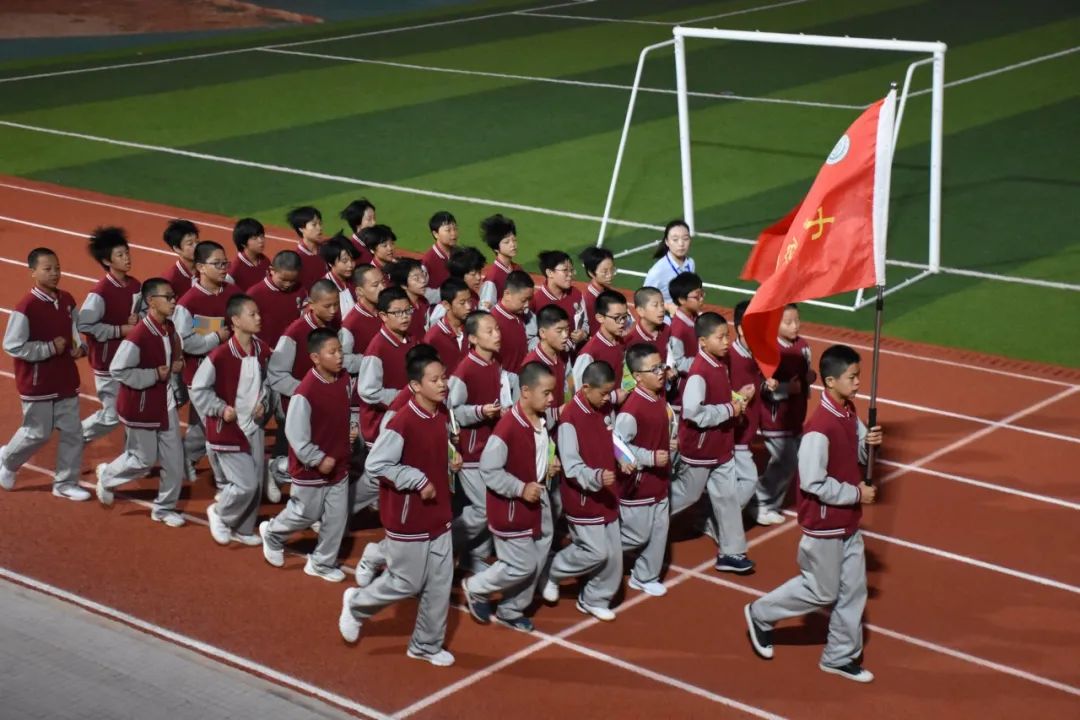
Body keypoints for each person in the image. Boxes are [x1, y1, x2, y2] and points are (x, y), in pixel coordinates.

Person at [745, 344, 882, 684]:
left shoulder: (847, 412)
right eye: (852, 377)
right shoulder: (819, 428)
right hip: (823, 525)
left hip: (847, 521)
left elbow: (860, 454)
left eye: (859, 376)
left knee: (854, 591)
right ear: (831, 381)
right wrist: (856, 493)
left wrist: (870, 443)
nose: (858, 382)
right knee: (821, 591)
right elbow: (812, 482)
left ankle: (839, 656)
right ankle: (760, 613)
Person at [340, 353, 456, 668]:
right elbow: (377, 464)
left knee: (440, 584)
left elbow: (434, 450)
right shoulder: (402, 422)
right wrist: (416, 479)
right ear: (416, 386)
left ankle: (425, 645)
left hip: (439, 515)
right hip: (409, 518)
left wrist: (451, 458)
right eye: (435, 380)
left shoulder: (441, 413)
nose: (443, 384)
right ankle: (357, 604)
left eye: (443, 378)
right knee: (406, 582)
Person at [461, 361, 555, 632]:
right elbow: (489, 470)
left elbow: (539, 449)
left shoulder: (541, 419)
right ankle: (476, 587)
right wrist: (520, 489)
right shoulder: (507, 428)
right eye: (546, 393)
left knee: (536, 559)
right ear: (525, 391)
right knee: (521, 565)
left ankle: (511, 610)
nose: (551, 399)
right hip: (512, 507)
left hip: (538, 500)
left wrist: (551, 461)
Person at [260, 328, 357, 582]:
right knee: (305, 514)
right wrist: (317, 459)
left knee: (337, 517)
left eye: (340, 351)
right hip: (310, 469)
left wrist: (349, 431)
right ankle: (273, 534)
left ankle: (322, 563)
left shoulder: (344, 379)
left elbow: (342, 413)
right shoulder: (305, 392)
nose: (339, 356)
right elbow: (296, 435)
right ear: (315, 358)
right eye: (332, 352)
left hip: (339, 464)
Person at [670, 312, 757, 573]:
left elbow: (717, 399)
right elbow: (693, 412)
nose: (726, 341)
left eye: (727, 336)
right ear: (703, 342)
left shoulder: (719, 364)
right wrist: (731, 409)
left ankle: (732, 552)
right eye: (720, 337)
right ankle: (644, 519)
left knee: (728, 498)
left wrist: (737, 398)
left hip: (720, 447)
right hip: (699, 450)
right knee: (686, 495)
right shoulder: (699, 371)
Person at [94, 277, 185, 523]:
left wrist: (176, 364)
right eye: (168, 297)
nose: (173, 301)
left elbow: (171, 355)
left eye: (174, 297)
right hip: (141, 407)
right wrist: (153, 374)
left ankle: (163, 509)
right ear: (151, 301)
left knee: (174, 462)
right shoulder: (138, 336)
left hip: (165, 404)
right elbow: (118, 370)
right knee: (142, 460)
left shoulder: (169, 327)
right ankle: (108, 476)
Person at [0, 248, 89, 500]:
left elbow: (75, 333)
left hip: (66, 379)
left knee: (73, 432)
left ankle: (65, 484)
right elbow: (12, 345)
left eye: (57, 268)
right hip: (37, 383)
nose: (54, 273)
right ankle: (8, 460)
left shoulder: (68, 300)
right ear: (33, 272)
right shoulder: (26, 307)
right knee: (36, 433)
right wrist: (48, 348)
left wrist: (80, 348)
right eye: (47, 269)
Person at [542, 360, 626, 622]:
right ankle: (552, 570)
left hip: (607, 493)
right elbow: (571, 465)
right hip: (582, 496)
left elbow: (612, 439)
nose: (608, 398)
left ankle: (593, 599)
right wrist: (596, 476)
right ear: (586, 388)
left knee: (614, 555)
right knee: (594, 551)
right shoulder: (570, 418)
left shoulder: (604, 406)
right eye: (604, 393)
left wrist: (624, 457)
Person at [192, 294, 271, 546]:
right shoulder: (220, 356)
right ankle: (220, 513)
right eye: (252, 314)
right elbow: (198, 389)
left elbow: (268, 383)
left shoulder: (262, 349)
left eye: (258, 313)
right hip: (227, 428)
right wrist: (220, 408)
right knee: (246, 485)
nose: (258, 318)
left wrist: (264, 401)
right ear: (235, 320)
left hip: (253, 426)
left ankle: (243, 529)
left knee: (256, 484)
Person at [173, 241, 242, 483]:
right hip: (199, 378)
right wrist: (216, 338)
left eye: (225, 263)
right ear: (201, 267)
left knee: (204, 425)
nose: (224, 268)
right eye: (218, 264)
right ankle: (225, 482)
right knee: (217, 428)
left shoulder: (233, 293)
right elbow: (184, 342)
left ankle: (185, 458)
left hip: (227, 373)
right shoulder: (188, 304)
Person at [266, 279, 340, 499]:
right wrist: (307, 393)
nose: (333, 310)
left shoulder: (333, 326)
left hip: (324, 404)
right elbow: (276, 374)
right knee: (300, 454)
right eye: (327, 306)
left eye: (336, 304)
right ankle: (276, 470)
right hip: (295, 404)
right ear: (311, 304)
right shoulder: (295, 333)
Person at [448, 311, 504, 575]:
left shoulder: (494, 363)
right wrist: (480, 412)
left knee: (489, 506)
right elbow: (452, 413)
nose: (497, 335)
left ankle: (474, 557)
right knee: (485, 508)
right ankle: (443, 544)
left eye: (497, 329)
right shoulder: (465, 371)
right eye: (489, 331)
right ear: (472, 338)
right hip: (470, 452)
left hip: (490, 449)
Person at [615, 343, 674, 597]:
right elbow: (617, 446)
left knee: (660, 531)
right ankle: (595, 554)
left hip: (659, 482)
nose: (661, 372)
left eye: (661, 366)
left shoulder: (658, 397)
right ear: (638, 376)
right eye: (655, 369)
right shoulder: (632, 410)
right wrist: (650, 457)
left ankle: (644, 576)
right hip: (637, 487)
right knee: (636, 536)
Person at [756, 303, 817, 525]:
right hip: (775, 419)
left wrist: (810, 378)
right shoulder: (770, 350)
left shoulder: (803, 346)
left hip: (795, 415)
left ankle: (767, 502)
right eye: (788, 322)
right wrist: (786, 389)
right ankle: (761, 502)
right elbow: (763, 386)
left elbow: (806, 375)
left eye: (797, 321)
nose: (794, 326)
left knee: (789, 462)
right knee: (787, 461)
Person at [79, 226, 141, 444]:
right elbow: (85, 325)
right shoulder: (100, 293)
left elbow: (140, 315)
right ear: (107, 261)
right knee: (112, 415)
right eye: (120, 255)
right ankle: (75, 437)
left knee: (134, 411)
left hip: (130, 360)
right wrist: (121, 330)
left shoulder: (135, 285)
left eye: (127, 252)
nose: (127, 258)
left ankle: (134, 455)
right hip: (107, 364)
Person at [357, 287, 416, 448]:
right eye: (397, 313)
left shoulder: (411, 339)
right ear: (383, 316)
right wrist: (404, 395)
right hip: (380, 427)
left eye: (407, 310)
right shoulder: (377, 349)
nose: (404, 316)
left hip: (404, 420)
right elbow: (368, 391)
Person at [572, 290, 629, 400]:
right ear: (600, 318)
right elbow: (580, 394)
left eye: (625, 317)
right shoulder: (589, 353)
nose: (622, 322)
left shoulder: (621, 343)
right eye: (617, 318)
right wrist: (613, 398)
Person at [246, 250, 304, 351]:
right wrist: (265, 349)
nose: (288, 284)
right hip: (264, 352)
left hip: (290, 350)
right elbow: (245, 328)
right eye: (283, 280)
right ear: (272, 270)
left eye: (292, 281)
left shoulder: (300, 289)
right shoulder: (254, 295)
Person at [531, 250, 587, 349]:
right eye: (565, 270)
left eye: (571, 270)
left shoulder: (576, 294)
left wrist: (584, 333)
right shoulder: (535, 301)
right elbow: (531, 337)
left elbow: (585, 321)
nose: (570, 274)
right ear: (550, 273)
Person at [339, 264, 384, 377]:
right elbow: (343, 359)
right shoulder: (350, 324)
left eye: (383, 282)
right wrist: (372, 361)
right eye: (375, 285)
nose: (382, 288)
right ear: (360, 291)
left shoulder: (387, 310)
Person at [667, 272, 705, 401]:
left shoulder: (696, 317)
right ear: (682, 300)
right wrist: (704, 362)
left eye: (702, 293)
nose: (701, 298)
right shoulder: (678, 330)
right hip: (685, 390)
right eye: (697, 296)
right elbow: (678, 363)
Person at [422, 277, 472, 374]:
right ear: (446, 305)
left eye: (469, 301)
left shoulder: (473, 328)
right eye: (462, 303)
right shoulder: (433, 338)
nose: (468, 307)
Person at [428, 246, 485, 327]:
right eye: (473, 274)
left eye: (479, 272)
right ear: (460, 276)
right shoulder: (444, 308)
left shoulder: (474, 296)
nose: (479, 278)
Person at [643, 219, 695, 307]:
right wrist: (668, 307)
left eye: (685, 239)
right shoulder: (657, 271)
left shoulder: (690, 263)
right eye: (675, 239)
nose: (681, 244)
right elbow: (644, 298)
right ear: (667, 242)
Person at [490, 269, 534, 373]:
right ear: (507, 294)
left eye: (529, 300)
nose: (527, 305)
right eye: (523, 300)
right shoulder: (493, 323)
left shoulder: (518, 314)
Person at [478, 214, 520, 310]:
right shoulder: (492, 278)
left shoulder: (517, 268)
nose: (513, 245)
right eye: (507, 242)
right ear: (496, 248)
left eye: (514, 240)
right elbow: (484, 313)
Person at [386, 257, 431, 339]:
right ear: (403, 285)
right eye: (416, 278)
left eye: (423, 274)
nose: (423, 280)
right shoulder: (402, 312)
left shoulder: (423, 301)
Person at [286, 205, 327, 292]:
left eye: (320, 223)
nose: (319, 228)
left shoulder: (327, 249)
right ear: (301, 228)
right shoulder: (297, 260)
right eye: (314, 225)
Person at [320, 235, 361, 321]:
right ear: (330, 263)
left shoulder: (356, 279)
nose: (350, 265)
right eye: (344, 261)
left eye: (352, 260)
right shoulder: (324, 289)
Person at [579, 246, 618, 333]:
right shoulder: (590, 300)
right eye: (605, 272)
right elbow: (596, 332)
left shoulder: (609, 291)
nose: (610, 275)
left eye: (612, 270)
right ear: (591, 273)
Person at [421, 210, 457, 297]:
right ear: (435, 234)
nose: (453, 234)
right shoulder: (428, 261)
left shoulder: (460, 254)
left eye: (455, 229)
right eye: (448, 230)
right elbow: (421, 290)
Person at [228, 217, 270, 291]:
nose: (261, 241)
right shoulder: (234, 269)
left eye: (261, 236)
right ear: (243, 243)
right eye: (255, 238)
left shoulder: (265, 260)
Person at [161, 219, 199, 293]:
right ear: (177, 248)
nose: (196, 246)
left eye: (197, 242)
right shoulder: (169, 280)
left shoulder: (207, 270)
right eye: (190, 244)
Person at [340, 198, 377, 264]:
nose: (374, 223)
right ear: (357, 222)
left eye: (374, 218)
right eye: (369, 219)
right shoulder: (351, 249)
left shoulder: (378, 240)